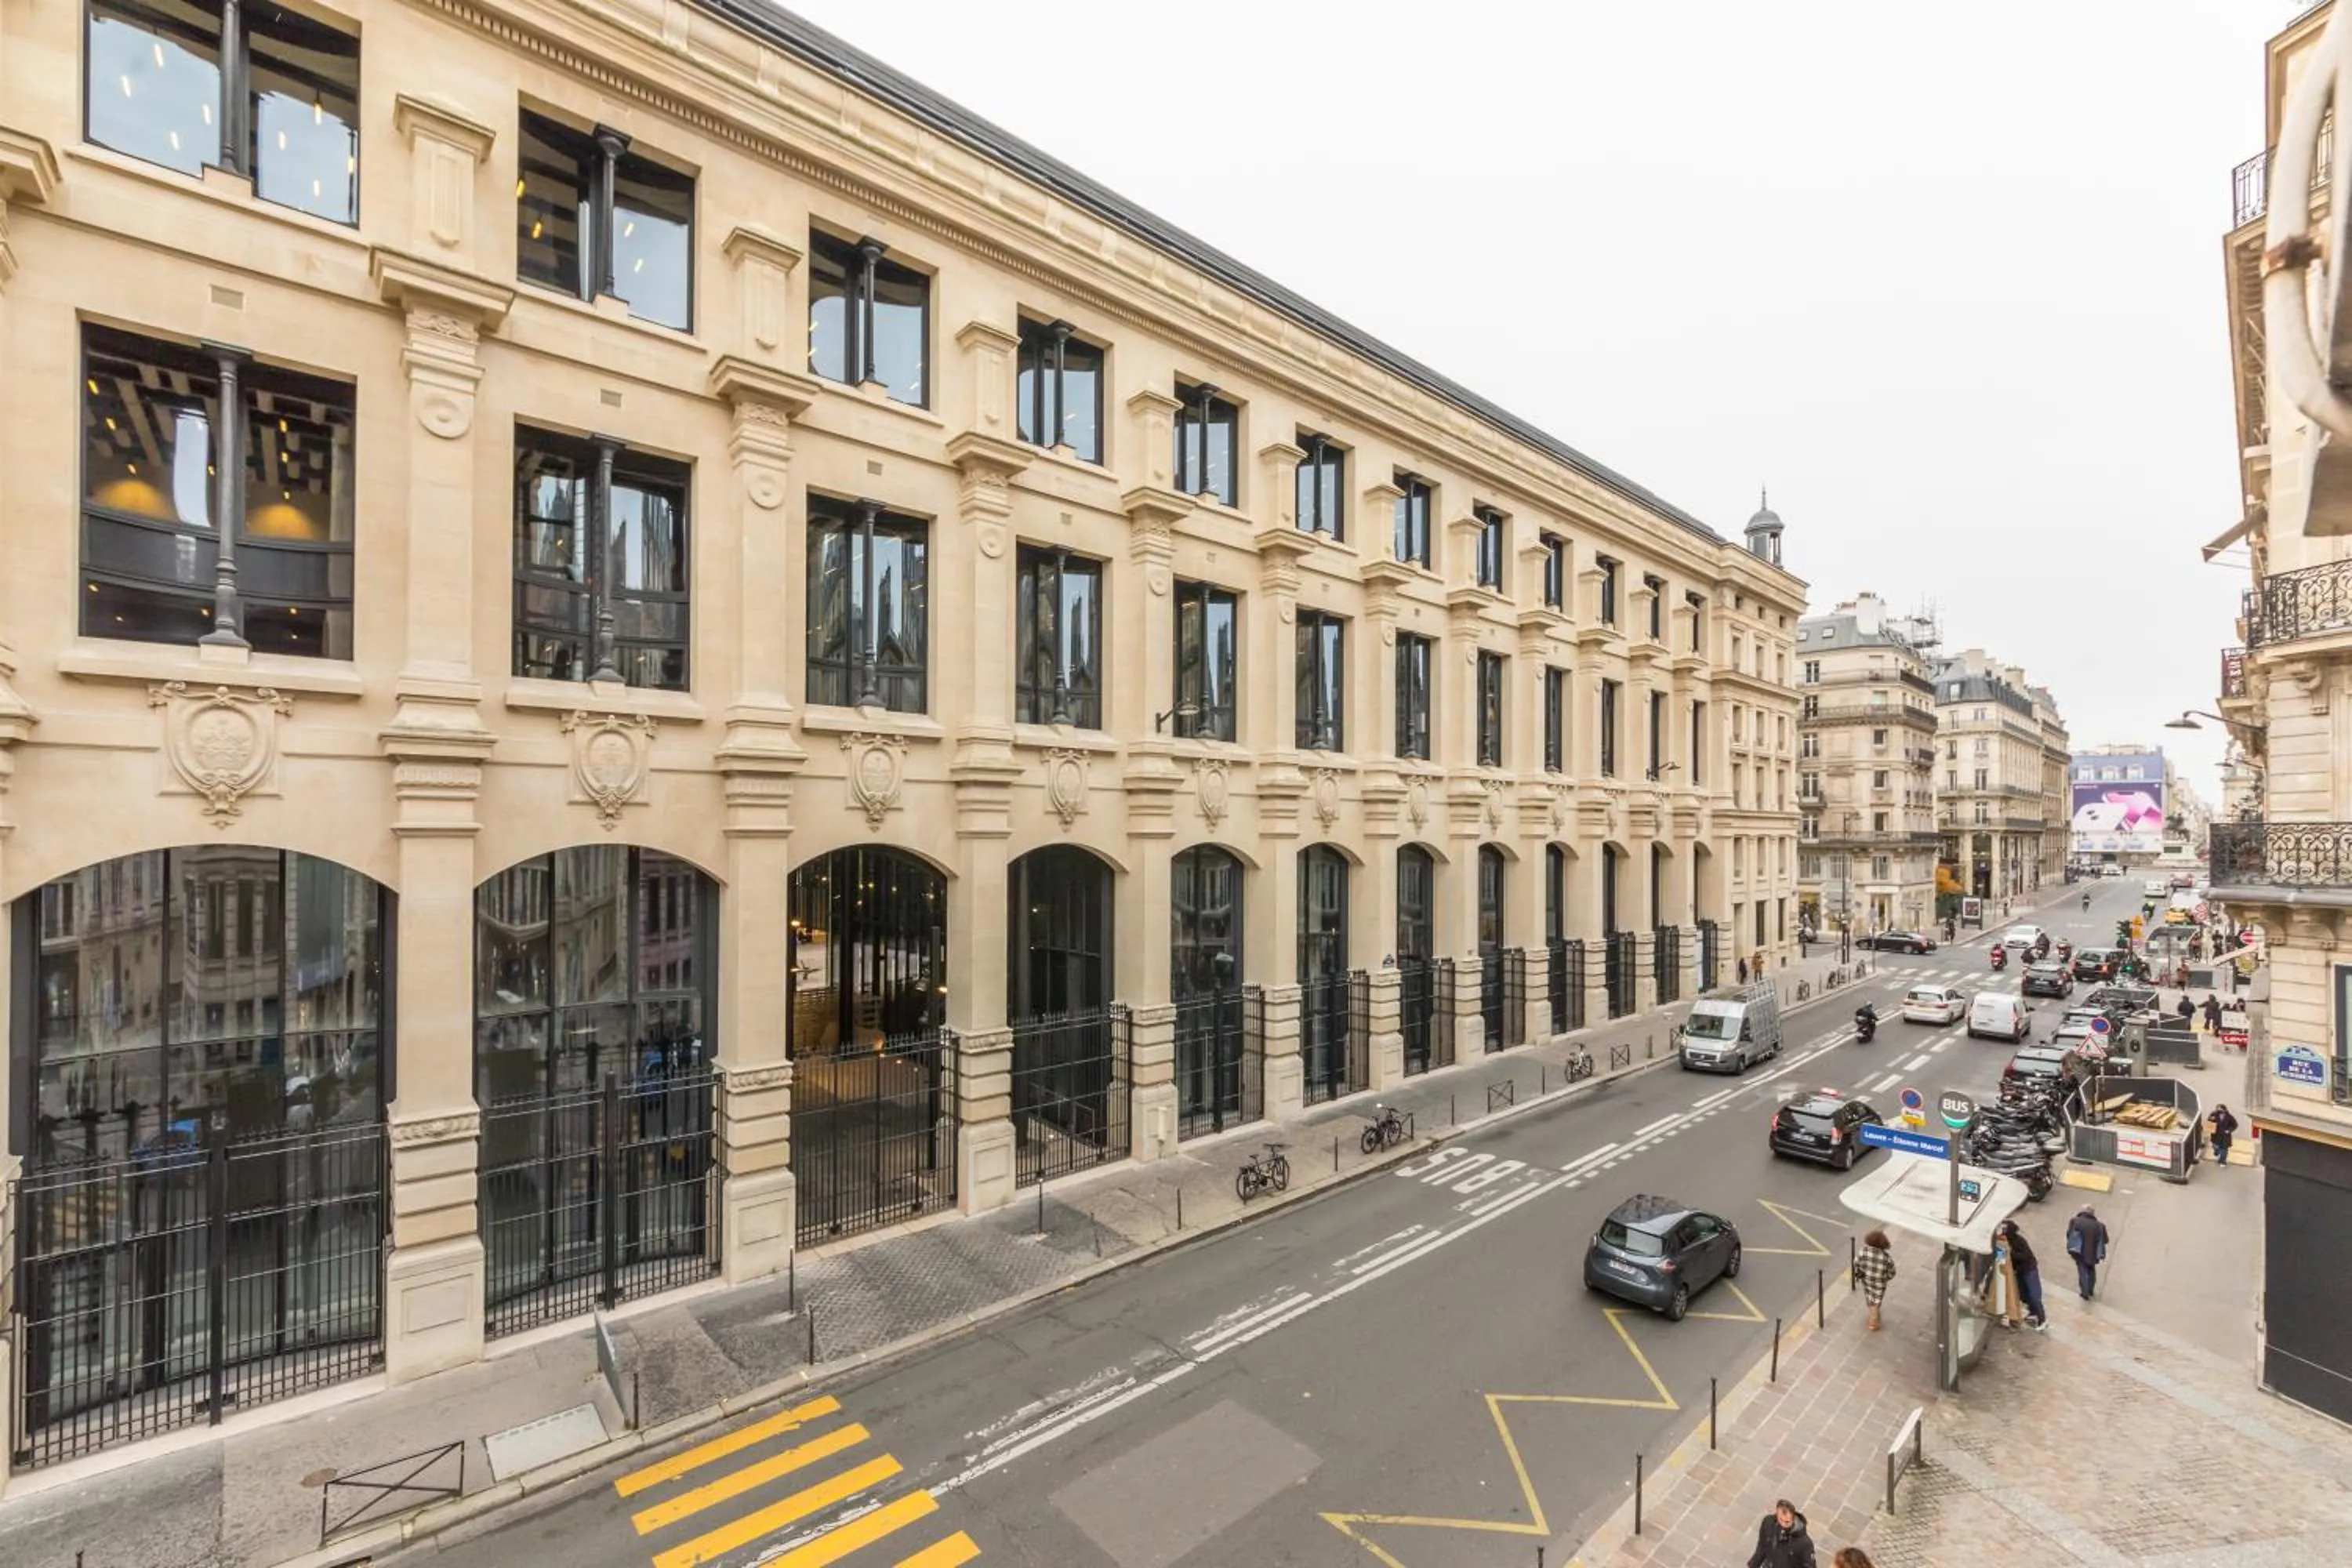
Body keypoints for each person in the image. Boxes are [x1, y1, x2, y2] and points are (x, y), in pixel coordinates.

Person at [1996, 1218, 2047, 1330]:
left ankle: (2042, 1319)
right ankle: (2033, 1314)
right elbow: (2002, 1259)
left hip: (2029, 1269)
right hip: (2019, 1271)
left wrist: (2011, 1252)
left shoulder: (2019, 1241)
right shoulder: (2003, 1242)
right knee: (2025, 1295)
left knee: (2034, 1295)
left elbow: (2024, 1256)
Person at [1748, 1500, 1817, 1568]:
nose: (1783, 1524)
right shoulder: (1768, 1523)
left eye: (1787, 1522)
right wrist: (1753, 1564)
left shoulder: (1805, 1543)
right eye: (1781, 1520)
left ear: (1793, 1519)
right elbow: (1762, 1546)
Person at [1853, 1229, 1896, 1331]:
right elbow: (1892, 1273)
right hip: (1880, 1283)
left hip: (1867, 1280)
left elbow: (1856, 1263)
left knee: (1869, 1296)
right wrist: (1885, 1278)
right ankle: (1873, 1322)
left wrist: (1860, 1275)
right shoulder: (1886, 1258)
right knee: (1877, 1300)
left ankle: (1872, 1313)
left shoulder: (1863, 1252)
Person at [2067, 1205, 2111, 1299]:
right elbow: (2106, 1240)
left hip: (2079, 1251)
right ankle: (2090, 1290)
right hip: (2095, 1253)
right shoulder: (2100, 1225)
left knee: (2082, 1270)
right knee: (2091, 1269)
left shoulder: (2075, 1221)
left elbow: (2069, 1235)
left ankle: (2085, 1292)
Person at [2209, 1103, 2240, 1167]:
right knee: (2215, 1146)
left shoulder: (2229, 1117)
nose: (2218, 1111)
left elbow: (2235, 1125)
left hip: (2225, 1136)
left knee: (2224, 1149)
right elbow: (2208, 1121)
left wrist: (2229, 1130)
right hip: (2216, 1135)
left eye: (2220, 1109)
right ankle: (2216, 1151)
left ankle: (2222, 1161)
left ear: (2224, 1110)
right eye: (2217, 1109)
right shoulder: (2214, 1114)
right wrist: (2211, 1120)